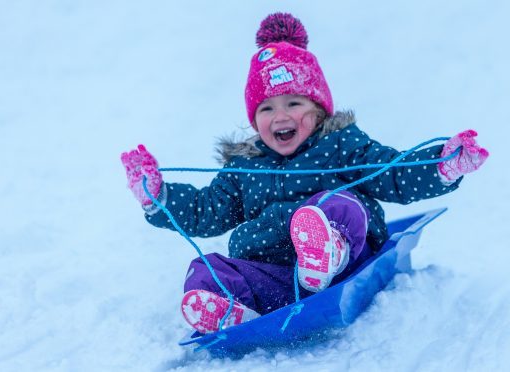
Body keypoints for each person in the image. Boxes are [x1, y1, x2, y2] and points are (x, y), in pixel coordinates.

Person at [121, 13, 489, 334]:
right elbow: (207, 209)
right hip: (279, 276)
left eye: (293, 103)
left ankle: (328, 248)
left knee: (335, 204)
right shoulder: (244, 166)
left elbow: (392, 173)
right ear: (254, 120)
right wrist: (160, 197)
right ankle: (229, 308)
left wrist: (441, 165)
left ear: (319, 109)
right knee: (207, 268)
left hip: (347, 261)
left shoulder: (342, 145)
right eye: (266, 108)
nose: (280, 116)